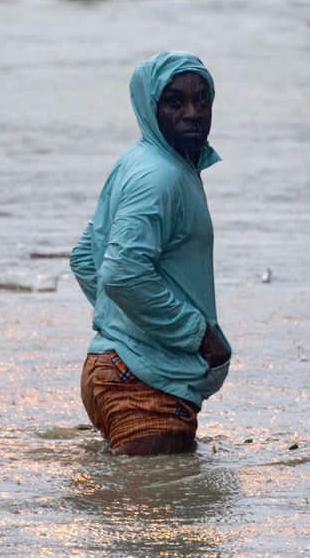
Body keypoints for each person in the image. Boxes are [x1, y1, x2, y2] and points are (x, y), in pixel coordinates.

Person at [71, 52, 230, 456]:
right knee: (167, 516)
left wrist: (125, 324)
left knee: (143, 511)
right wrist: (197, 334)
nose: (193, 113)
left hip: (119, 371)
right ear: (149, 106)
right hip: (143, 386)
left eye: (203, 100)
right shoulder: (160, 177)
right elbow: (121, 273)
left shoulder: (138, 163)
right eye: (175, 102)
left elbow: (85, 259)